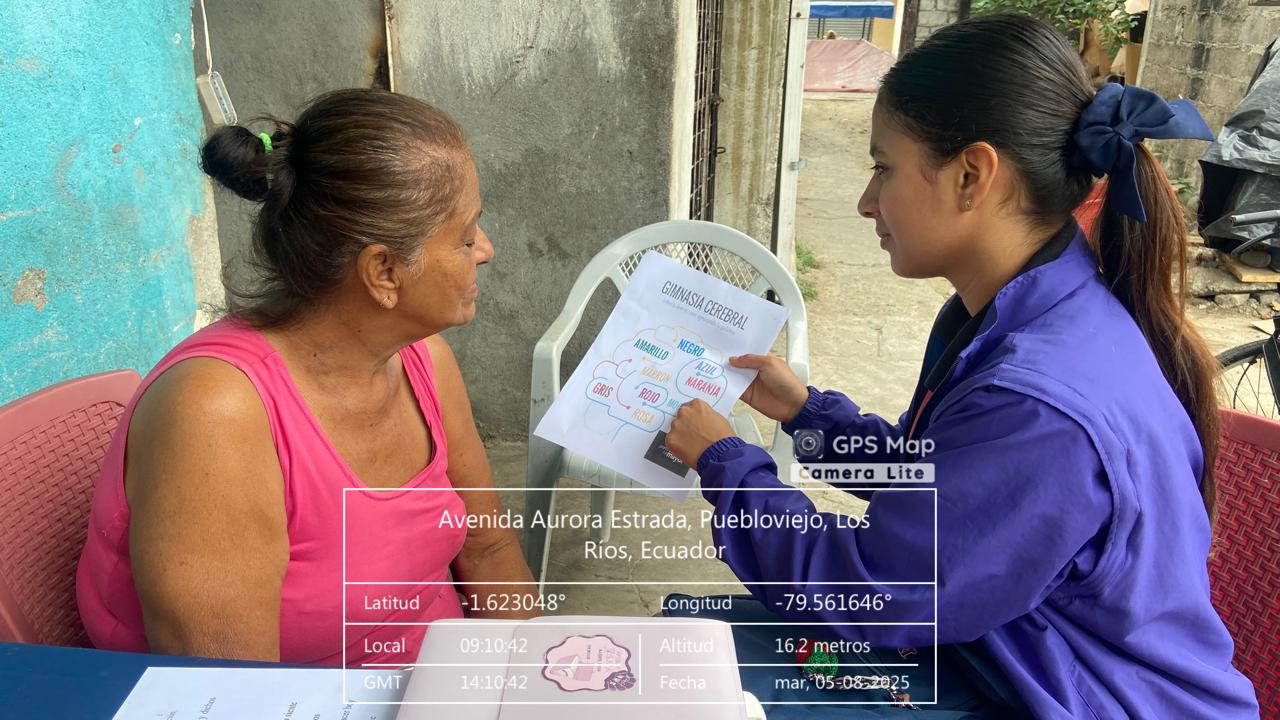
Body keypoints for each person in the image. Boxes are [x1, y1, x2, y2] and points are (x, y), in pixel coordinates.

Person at [664, 14, 1261, 718]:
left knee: (686, 678)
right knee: (689, 638)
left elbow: (874, 592)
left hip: (1073, 697)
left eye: (883, 168)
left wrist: (728, 465)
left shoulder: (1040, 401)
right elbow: (946, 495)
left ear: (972, 175)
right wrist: (807, 415)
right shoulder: (1023, 311)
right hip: (1009, 652)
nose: (865, 202)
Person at [76, 89, 535, 666]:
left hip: (437, 683)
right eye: (466, 236)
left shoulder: (424, 361)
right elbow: (229, 694)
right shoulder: (217, 415)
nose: (485, 250)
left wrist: (537, 680)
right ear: (384, 271)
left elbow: (488, 548)